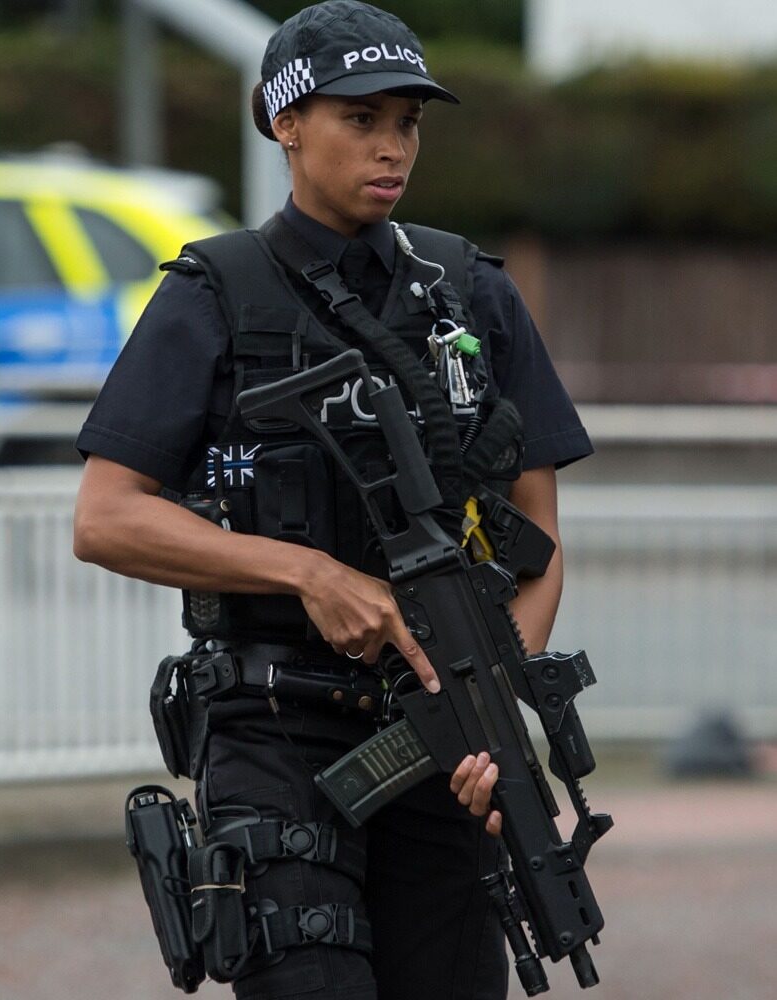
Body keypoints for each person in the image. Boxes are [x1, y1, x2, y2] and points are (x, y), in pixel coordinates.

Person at [73, 3, 592, 999]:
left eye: (408, 122)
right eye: (361, 119)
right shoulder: (213, 293)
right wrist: (305, 573)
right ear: (286, 123)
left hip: (438, 746)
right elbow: (105, 517)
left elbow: (539, 533)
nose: (392, 147)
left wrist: (490, 708)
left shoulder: (470, 291)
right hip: (274, 731)